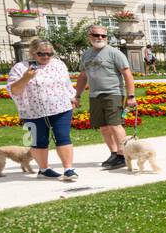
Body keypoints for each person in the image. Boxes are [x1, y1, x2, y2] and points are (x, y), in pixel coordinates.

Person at [7, 40, 79, 181]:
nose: (46, 57)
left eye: (49, 54)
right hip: (31, 112)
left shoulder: (58, 64)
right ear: (33, 53)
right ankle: (44, 169)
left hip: (61, 108)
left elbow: (66, 83)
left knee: (63, 137)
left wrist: (72, 97)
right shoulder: (20, 68)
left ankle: (68, 169)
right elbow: (14, 90)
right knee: (38, 140)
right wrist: (26, 78)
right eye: (41, 54)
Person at [75, 24, 136, 170]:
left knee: (115, 124)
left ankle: (123, 154)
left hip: (113, 93)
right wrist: (77, 96)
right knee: (103, 127)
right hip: (95, 95)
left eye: (103, 36)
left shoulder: (114, 53)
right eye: (96, 35)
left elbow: (127, 74)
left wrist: (131, 96)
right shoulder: (86, 54)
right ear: (90, 37)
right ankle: (114, 153)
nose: (100, 38)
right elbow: (83, 76)